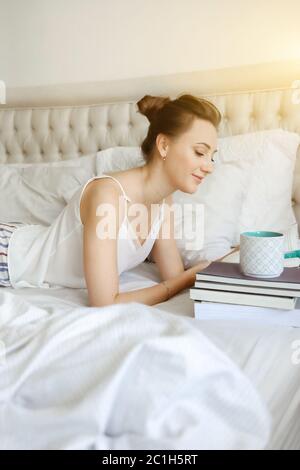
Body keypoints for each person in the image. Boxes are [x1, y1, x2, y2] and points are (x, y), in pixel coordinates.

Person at [3, 93, 229, 307]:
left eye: (212, 156)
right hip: (9, 255)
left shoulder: (163, 201)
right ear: (163, 145)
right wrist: (184, 280)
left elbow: (174, 274)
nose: (209, 166)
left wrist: (225, 261)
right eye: (200, 152)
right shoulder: (107, 195)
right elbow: (104, 303)